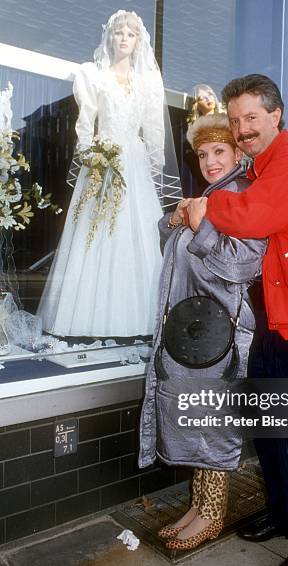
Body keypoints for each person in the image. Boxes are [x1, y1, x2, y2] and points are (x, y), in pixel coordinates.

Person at [186, 74, 288, 566]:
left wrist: (207, 206)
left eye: (251, 118)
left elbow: (258, 216)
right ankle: (283, 516)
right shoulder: (263, 166)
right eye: (235, 121)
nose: (242, 129)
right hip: (277, 320)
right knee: (275, 432)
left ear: (276, 116)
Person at [138, 113, 266, 551]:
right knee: (196, 420)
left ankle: (211, 515)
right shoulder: (211, 194)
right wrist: (173, 221)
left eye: (219, 152)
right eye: (203, 154)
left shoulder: (243, 195)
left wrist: (200, 228)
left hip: (222, 334)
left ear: (236, 153)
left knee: (212, 423)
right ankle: (198, 506)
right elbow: (177, 251)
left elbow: (244, 265)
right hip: (195, 334)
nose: (210, 161)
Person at [37, 10, 181, 338]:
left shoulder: (148, 82)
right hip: (104, 158)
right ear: (109, 37)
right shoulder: (94, 75)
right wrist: (93, 156)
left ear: (138, 40)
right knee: (95, 235)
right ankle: (88, 318)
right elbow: (85, 124)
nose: (123, 39)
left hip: (134, 161)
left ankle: (138, 319)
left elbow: (154, 129)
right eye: (118, 33)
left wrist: (152, 166)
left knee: (136, 237)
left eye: (130, 34)